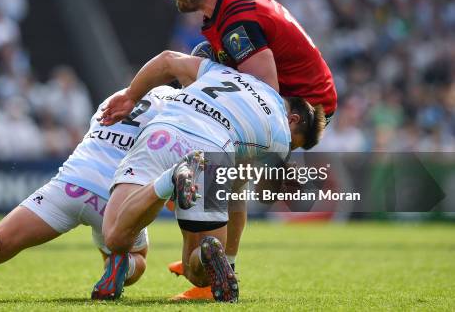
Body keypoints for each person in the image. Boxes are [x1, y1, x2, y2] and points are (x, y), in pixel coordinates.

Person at [164, 0, 338, 298]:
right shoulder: (230, 6)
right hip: (303, 98)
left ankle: (215, 267)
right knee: (226, 175)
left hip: (300, 109)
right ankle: (214, 259)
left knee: (225, 175)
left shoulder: (235, 19)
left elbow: (266, 92)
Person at [93, 51, 326, 302]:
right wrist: (231, 260)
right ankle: (207, 253)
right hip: (212, 155)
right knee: (200, 273)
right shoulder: (278, 138)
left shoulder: (222, 72)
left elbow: (167, 59)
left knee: (116, 238)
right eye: (294, 143)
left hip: (164, 133)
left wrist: (130, 96)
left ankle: (170, 179)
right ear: (292, 119)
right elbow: (243, 195)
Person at [0, 85, 177, 300]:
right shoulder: (177, 107)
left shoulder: (117, 97)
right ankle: (120, 263)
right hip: (117, 195)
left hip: (70, 183)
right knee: (137, 255)